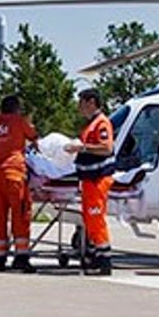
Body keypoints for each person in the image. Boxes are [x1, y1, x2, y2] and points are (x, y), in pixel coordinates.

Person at [0, 95, 39, 272]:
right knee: (20, 216)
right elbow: (35, 139)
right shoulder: (19, 121)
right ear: (16, 109)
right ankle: (21, 257)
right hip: (14, 175)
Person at [68, 88, 116, 275]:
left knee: (96, 219)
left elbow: (106, 148)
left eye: (81, 103)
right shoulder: (91, 124)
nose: (79, 107)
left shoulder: (102, 123)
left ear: (91, 102)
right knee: (90, 219)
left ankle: (104, 260)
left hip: (98, 179)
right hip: (89, 179)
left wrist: (82, 147)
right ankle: (94, 256)